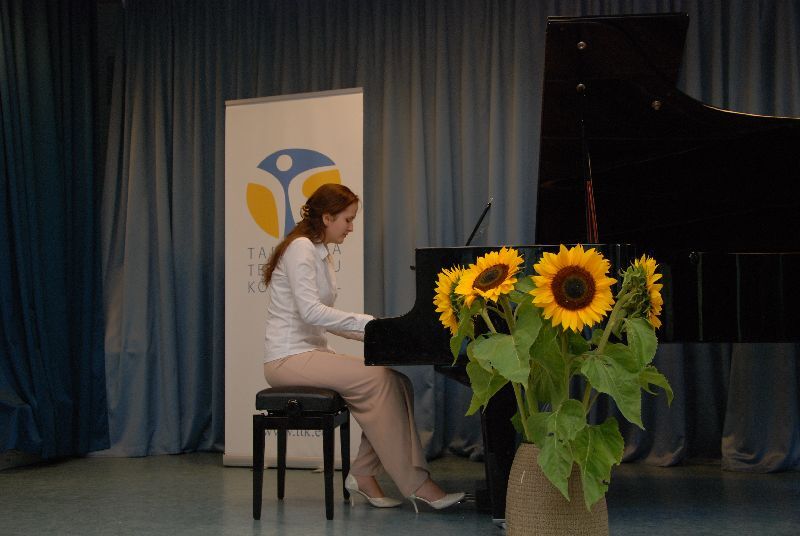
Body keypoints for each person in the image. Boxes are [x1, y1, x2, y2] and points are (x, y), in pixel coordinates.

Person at [262, 183, 464, 512]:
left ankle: (363, 473)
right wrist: (369, 324)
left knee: (398, 381)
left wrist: (377, 333)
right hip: (287, 358)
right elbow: (311, 312)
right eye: (348, 219)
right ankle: (417, 484)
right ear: (327, 218)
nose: (351, 227)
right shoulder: (301, 248)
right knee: (379, 379)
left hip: (309, 353)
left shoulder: (320, 253)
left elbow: (323, 320)